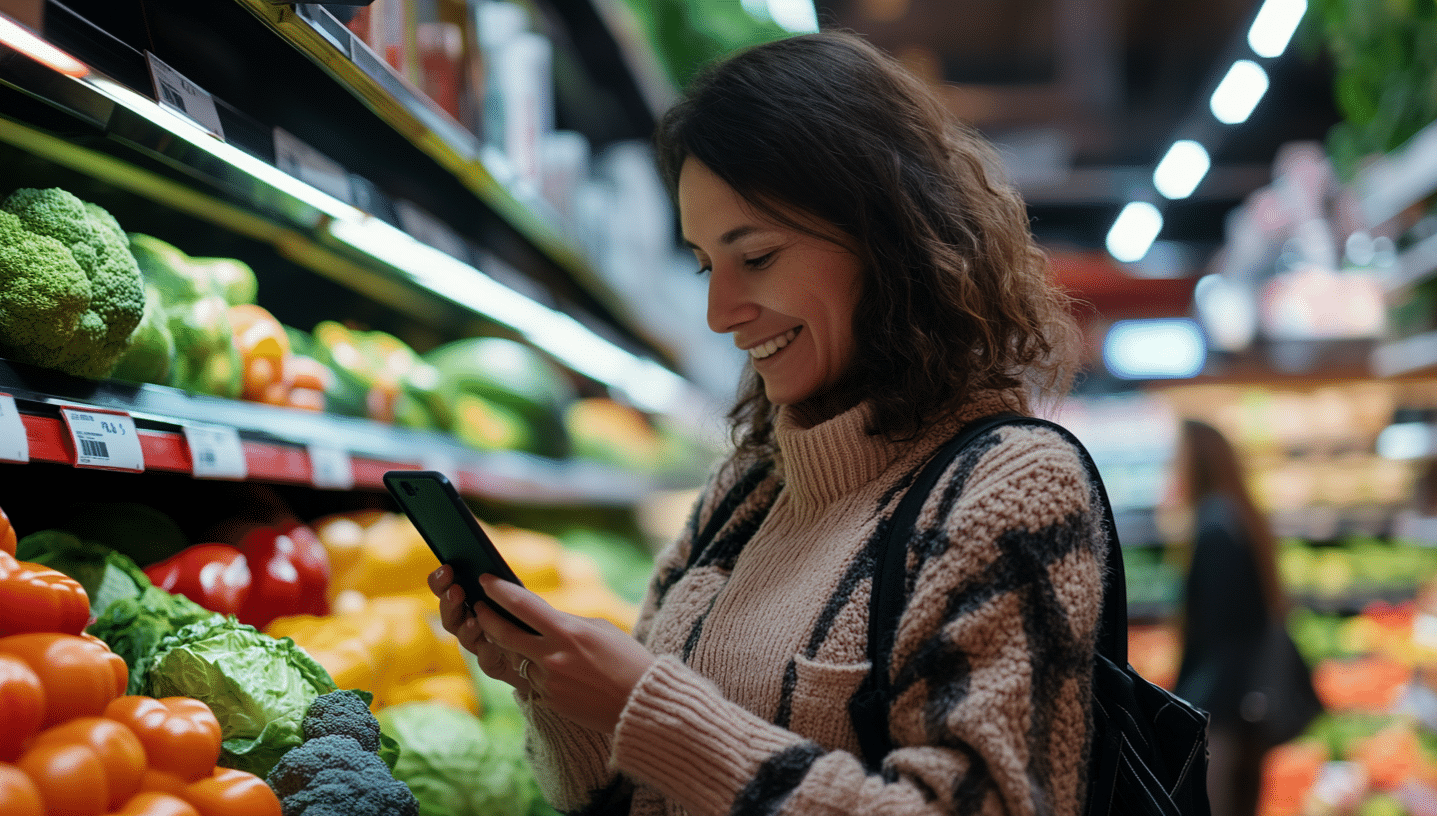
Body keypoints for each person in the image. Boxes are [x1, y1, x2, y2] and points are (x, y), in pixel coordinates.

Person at [429, 30, 1109, 816]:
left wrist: (644, 708)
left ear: (886, 235)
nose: (720, 314)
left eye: (754, 257)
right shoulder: (743, 496)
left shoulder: (1006, 488)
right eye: (703, 265)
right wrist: (551, 685)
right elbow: (624, 797)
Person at [1171, 419, 1316, 816]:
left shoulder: (1214, 525)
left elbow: (1220, 631)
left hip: (1226, 702)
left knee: (1217, 801)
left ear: (1195, 462)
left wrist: (1189, 700)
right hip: (1247, 696)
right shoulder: (1238, 516)